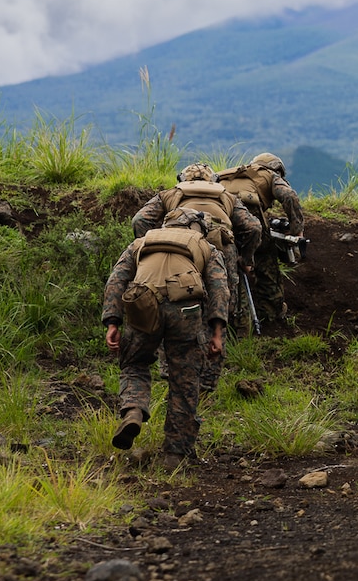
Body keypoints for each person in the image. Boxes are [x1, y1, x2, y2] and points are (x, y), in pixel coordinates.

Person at [101, 209, 230, 469]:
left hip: (143, 304)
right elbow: (219, 290)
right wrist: (217, 334)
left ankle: (134, 410)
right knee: (184, 379)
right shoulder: (205, 247)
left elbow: (116, 280)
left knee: (134, 362)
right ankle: (175, 454)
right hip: (186, 310)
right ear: (197, 227)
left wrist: (112, 322)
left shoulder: (141, 242)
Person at [131, 163, 260, 392]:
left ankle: (170, 369)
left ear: (181, 179)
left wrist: (150, 246)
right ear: (214, 180)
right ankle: (209, 379)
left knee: (174, 300)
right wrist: (246, 259)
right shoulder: (227, 196)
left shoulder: (171, 194)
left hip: (181, 251)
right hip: (220, 250)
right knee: (219, 307)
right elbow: (253, 228)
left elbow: (139, 221)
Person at [217, 153, 304, 326]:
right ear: (276, 168)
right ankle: (271, 312)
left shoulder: (227, 174)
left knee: (226, 263)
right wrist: (297, 231)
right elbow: (289, 197)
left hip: (219, 217)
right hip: (248, 217)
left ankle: (231, 317)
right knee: (265, 256)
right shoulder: (270, 175)